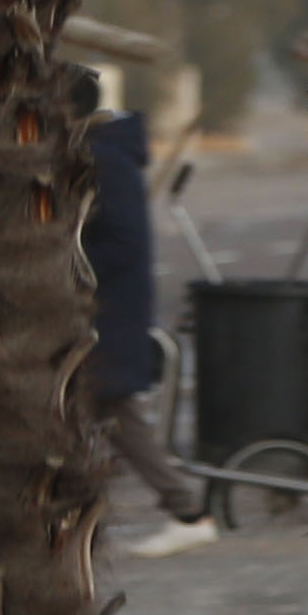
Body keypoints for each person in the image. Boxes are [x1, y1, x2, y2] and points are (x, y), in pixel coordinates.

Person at [81, 74, 217, 558]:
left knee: (107, 412)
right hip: (108, 311)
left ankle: (186, 512)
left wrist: (70, 265)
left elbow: (120, 242)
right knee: (111, 416)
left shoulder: (103, 159)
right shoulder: (104, 154)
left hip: (105, 313)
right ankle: (184, 512)